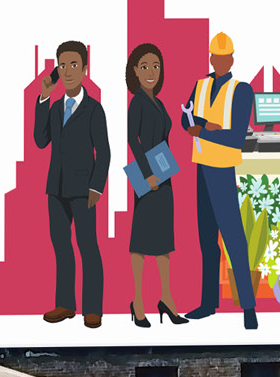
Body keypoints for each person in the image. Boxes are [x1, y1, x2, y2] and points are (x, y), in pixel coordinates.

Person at [180, 34, 260, 329]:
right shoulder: (200, 86)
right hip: (202, 168)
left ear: (232, 59)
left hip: (223, 171)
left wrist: (202, 131)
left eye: (225, 57)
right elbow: (185, 119)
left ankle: (249, 309)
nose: (220, 61)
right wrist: (201, 125)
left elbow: (236, 137)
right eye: (216, 56)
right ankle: (208, 303)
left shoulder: (242, 90)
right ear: (211, 58)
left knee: (234, 239)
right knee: (207, 241)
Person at [30, 41, 110, 327]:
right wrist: (43, 98)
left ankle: (93, 308)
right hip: (56, 188)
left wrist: (96, 187)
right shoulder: (54, 108)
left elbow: (104, 152)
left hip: (84, 190)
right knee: (61, 246)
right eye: (62, 65)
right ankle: (65, 304)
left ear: (85, 69)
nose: (67, 71)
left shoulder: (93, 109)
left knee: (88, 246)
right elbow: (40, 141)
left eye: (73, 64)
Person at [121, 43, 183, 327]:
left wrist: (164, 171)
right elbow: (133, 140)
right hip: (147, 178)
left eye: (156, 66)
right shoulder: (137, 102)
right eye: (144, 66)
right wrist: (147, 175)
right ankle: (138, 302)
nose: (151, 72)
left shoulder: (158, 101)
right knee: (141, 241)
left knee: (163, 241)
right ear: (135, 70)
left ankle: (167, 298)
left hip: (164, 174)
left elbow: (164, 140)